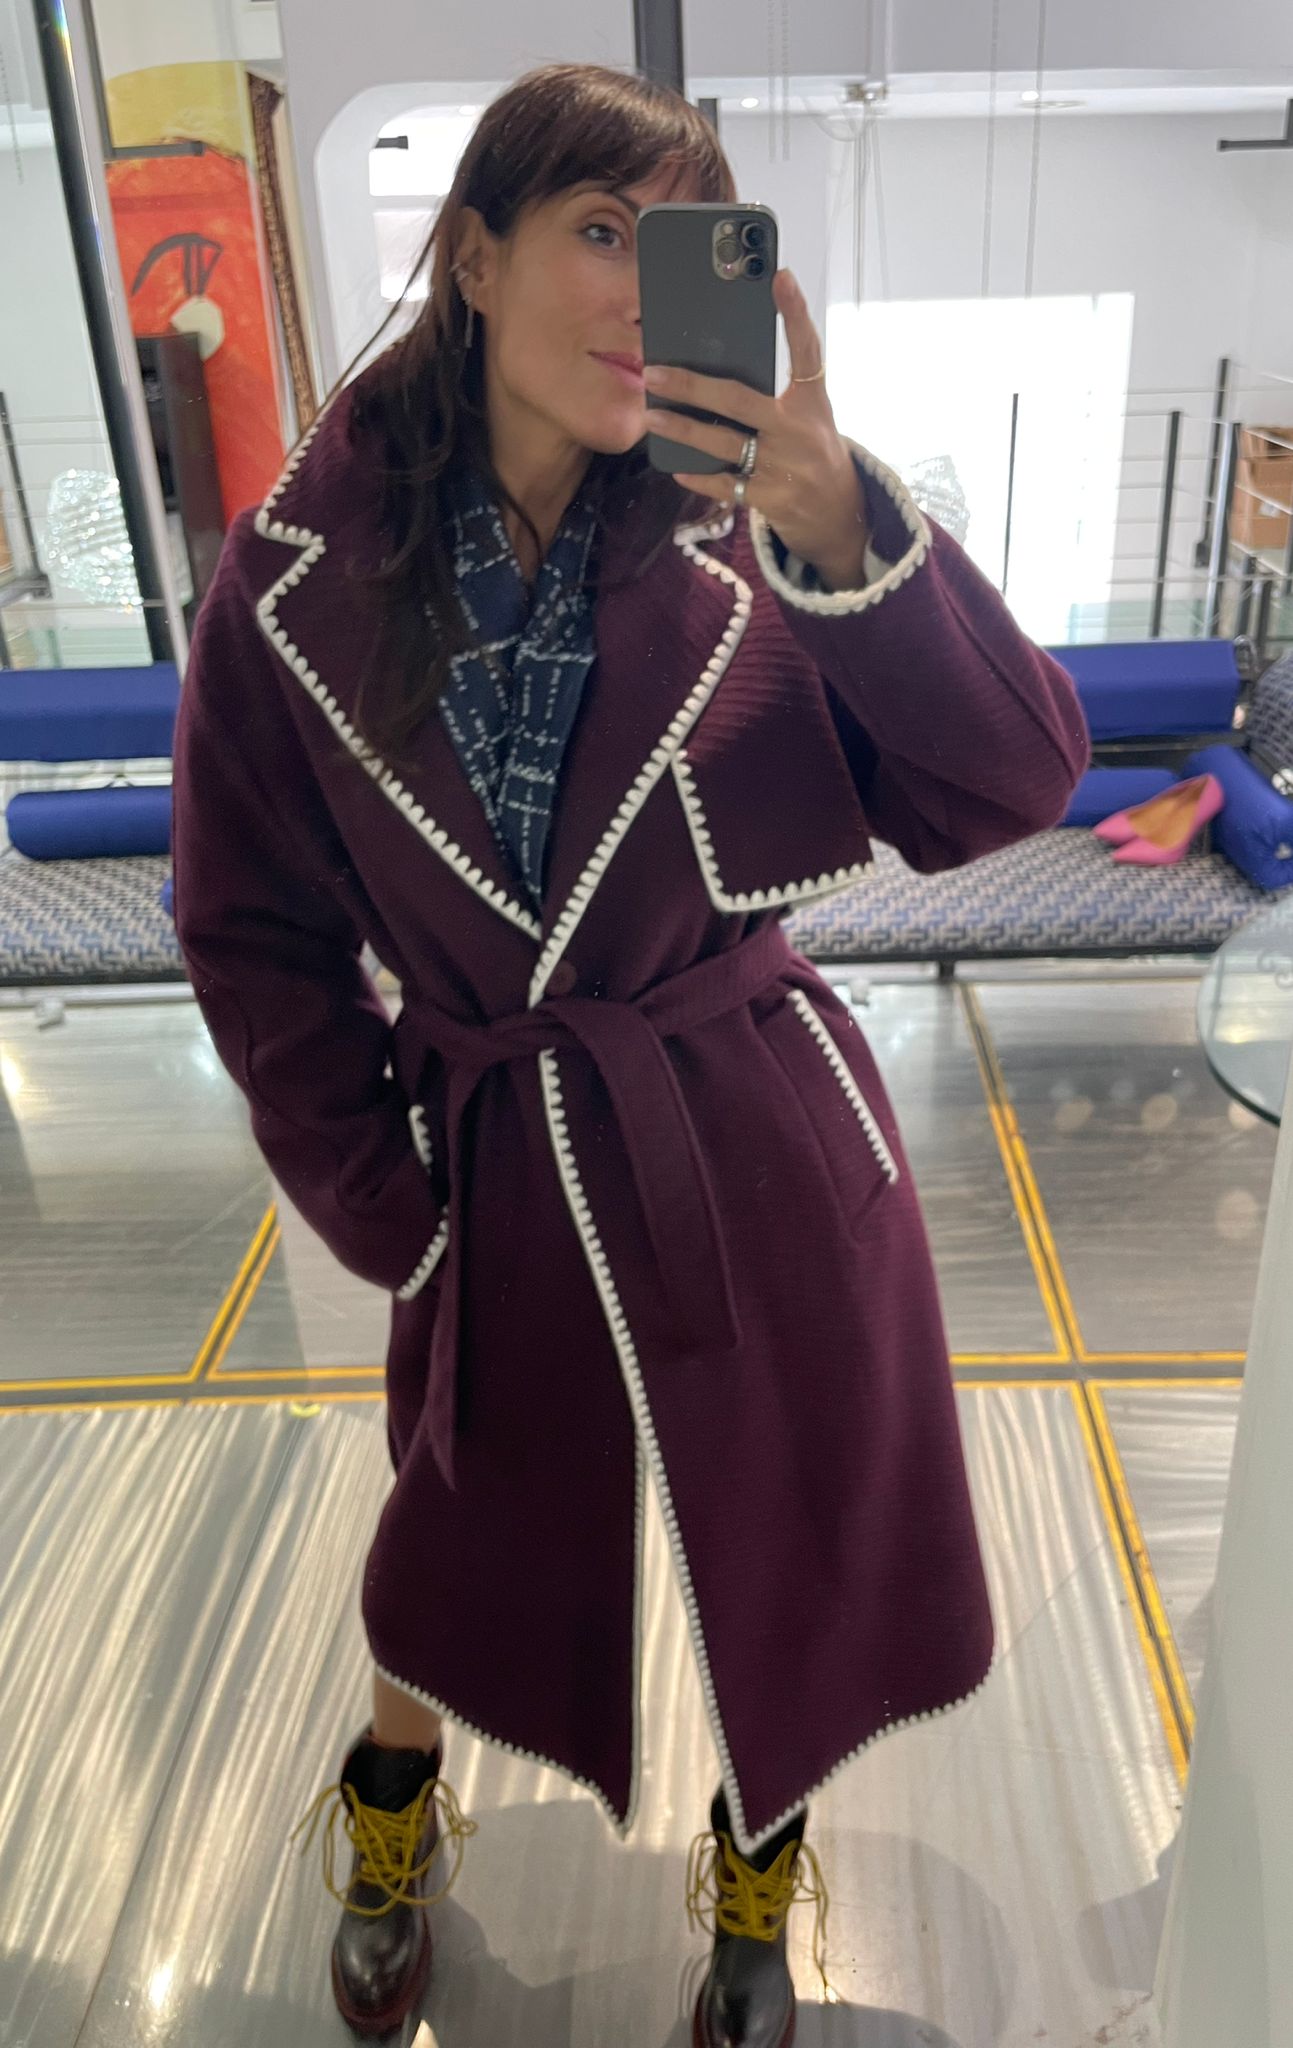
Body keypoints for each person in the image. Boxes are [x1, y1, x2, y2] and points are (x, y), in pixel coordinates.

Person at [172, 61, 1087, 2048]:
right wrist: (389, 1204)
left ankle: (757, 1878)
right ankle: (392, 1807)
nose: (637, 293)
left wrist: (840, 523)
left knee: (786, 1546)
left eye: (681, 249)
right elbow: (249, 928)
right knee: (456, 1527)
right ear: (472, 258)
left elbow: (1010, 781)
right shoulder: (292, 578)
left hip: (750, 1127)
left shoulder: (751, 538)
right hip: (487, 1150)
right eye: (598, 232)